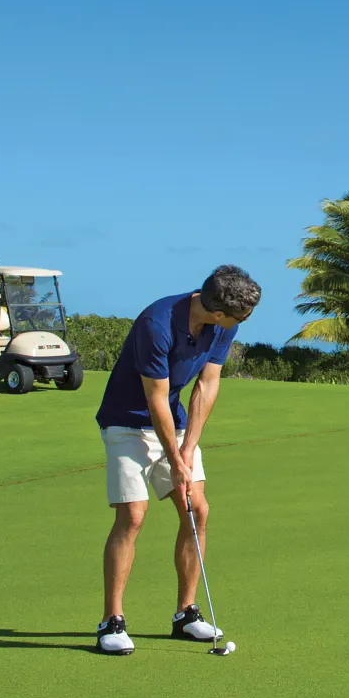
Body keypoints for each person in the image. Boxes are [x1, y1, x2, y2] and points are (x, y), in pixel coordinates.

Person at [93, 264, 260, 655]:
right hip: (126, 425)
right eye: (239, 317)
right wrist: (176, 458)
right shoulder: (157, 323)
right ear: (218, 311)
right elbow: (154, 398)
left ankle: (186, 614)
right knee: (133, 515)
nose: (243, 323)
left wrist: (187, 450)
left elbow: (208, 384)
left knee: (196, 509)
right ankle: (110, 623)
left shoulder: (223, 325)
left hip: (176, 423)